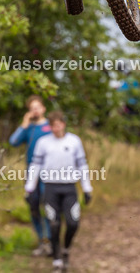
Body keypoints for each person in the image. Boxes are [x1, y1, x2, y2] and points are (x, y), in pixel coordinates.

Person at [25, 111, 94, 269]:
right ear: (50, 127)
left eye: (58, 125)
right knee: (54, 224)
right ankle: (56, 258)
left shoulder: (74, 141)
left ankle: (66, 249)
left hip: (69, 187)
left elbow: (82, 165)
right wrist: (29, 188)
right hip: (50, 187)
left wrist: (87, 188)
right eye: (53, 126)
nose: (56, 128)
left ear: (63, 124)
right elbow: (35, 166)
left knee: (73, 222)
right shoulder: (43, 143)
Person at [9, 95, 53, 256]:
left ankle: (51, 241)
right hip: (32, 174)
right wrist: (24, 124)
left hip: (49, 173)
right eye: (31, 108)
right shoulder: (28, 129)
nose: (35, 110)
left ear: (43, 108)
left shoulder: (50, 126)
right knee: (33, 206)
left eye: (37, 107)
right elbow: (13, 142)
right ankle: (42, 240)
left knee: (49, 207)